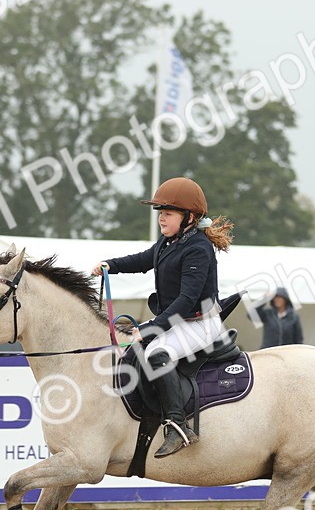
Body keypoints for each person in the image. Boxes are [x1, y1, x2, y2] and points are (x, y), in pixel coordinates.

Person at [90, 177, 233, 458]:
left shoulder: (198, 249)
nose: (161, 219)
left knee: (157, 354)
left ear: (189, 217)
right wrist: (112, 265)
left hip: (200, 323)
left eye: (167, 214)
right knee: (136, 351)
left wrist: (153, 327)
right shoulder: (170, 241)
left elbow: (186, 301)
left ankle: (178, 427)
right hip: (179, 320)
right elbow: (144, 259)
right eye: (160, 214)